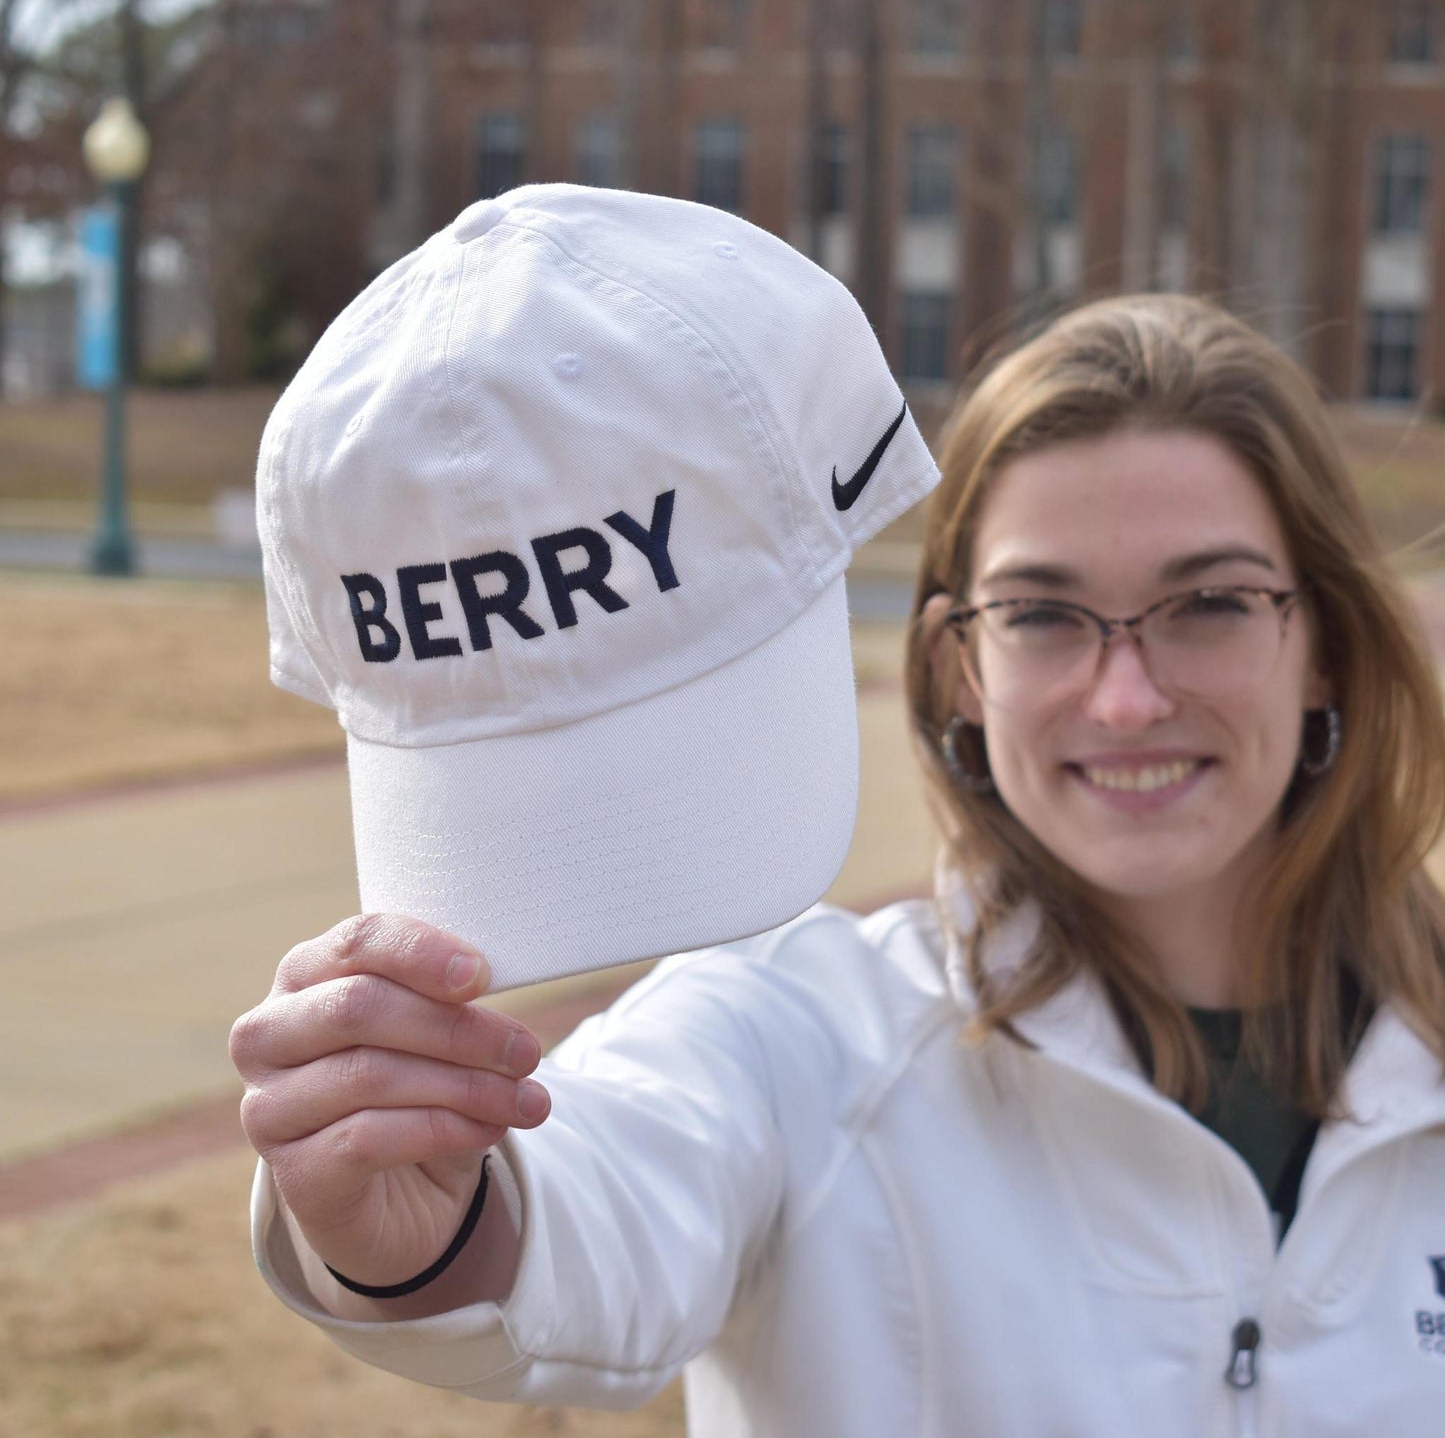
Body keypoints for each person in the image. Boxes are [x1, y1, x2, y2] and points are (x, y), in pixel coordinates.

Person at [231, 293, 1445, 1435]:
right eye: (1039, 613)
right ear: (956, 668)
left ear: (1325, 641)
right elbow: (588, 1212)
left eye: (1210, 603)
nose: (1124, 697)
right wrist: (423, 1226)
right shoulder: (797, 1035)